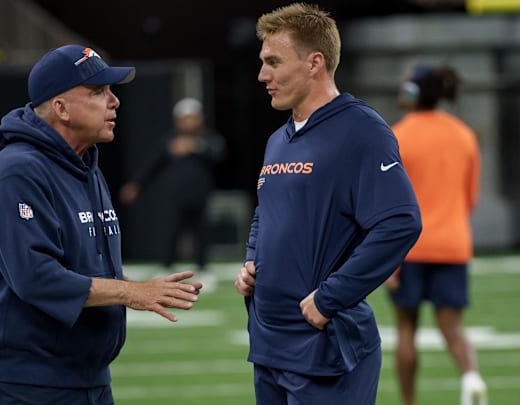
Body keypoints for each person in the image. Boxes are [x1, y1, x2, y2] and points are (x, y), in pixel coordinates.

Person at [0, 44, 203, 405]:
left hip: (85, 378)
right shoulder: (18, 171)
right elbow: (35, 277)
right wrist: (131, 293)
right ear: (60, 108)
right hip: (28, 383)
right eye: (97, 92)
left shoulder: (85, 166)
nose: (114, 101)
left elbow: (86, 267)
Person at [233, 3, 422, 404]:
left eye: (273, 62)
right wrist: (252, 262)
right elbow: (266, 210)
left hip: (326, 348)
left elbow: (400, 222)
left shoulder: (362, 131)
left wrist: (329, 297)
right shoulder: (278, 138)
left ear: (314, 63)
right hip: (269, 347)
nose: (262, 75)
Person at [385, 64, 487, 405]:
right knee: (453, 327)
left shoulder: (397, 136)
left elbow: (389, 202)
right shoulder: (464, 135)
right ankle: (471, 377)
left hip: (409, 249)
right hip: (453, 244)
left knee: (406, 330)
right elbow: (470, 196)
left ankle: (410, 401)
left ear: (412, 94)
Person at [119, 97, 225, 275]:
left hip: (199, 196)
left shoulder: (208, 139)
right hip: (174, 197)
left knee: (201, 233)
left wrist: (196, 147)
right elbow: (151, 165)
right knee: (170, 230)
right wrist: (136, 185)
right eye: (186, 117)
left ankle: (203, 267)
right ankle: (166, 265)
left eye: (193, 117)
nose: (190, 121)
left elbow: (219, 154)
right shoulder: (168, 141)